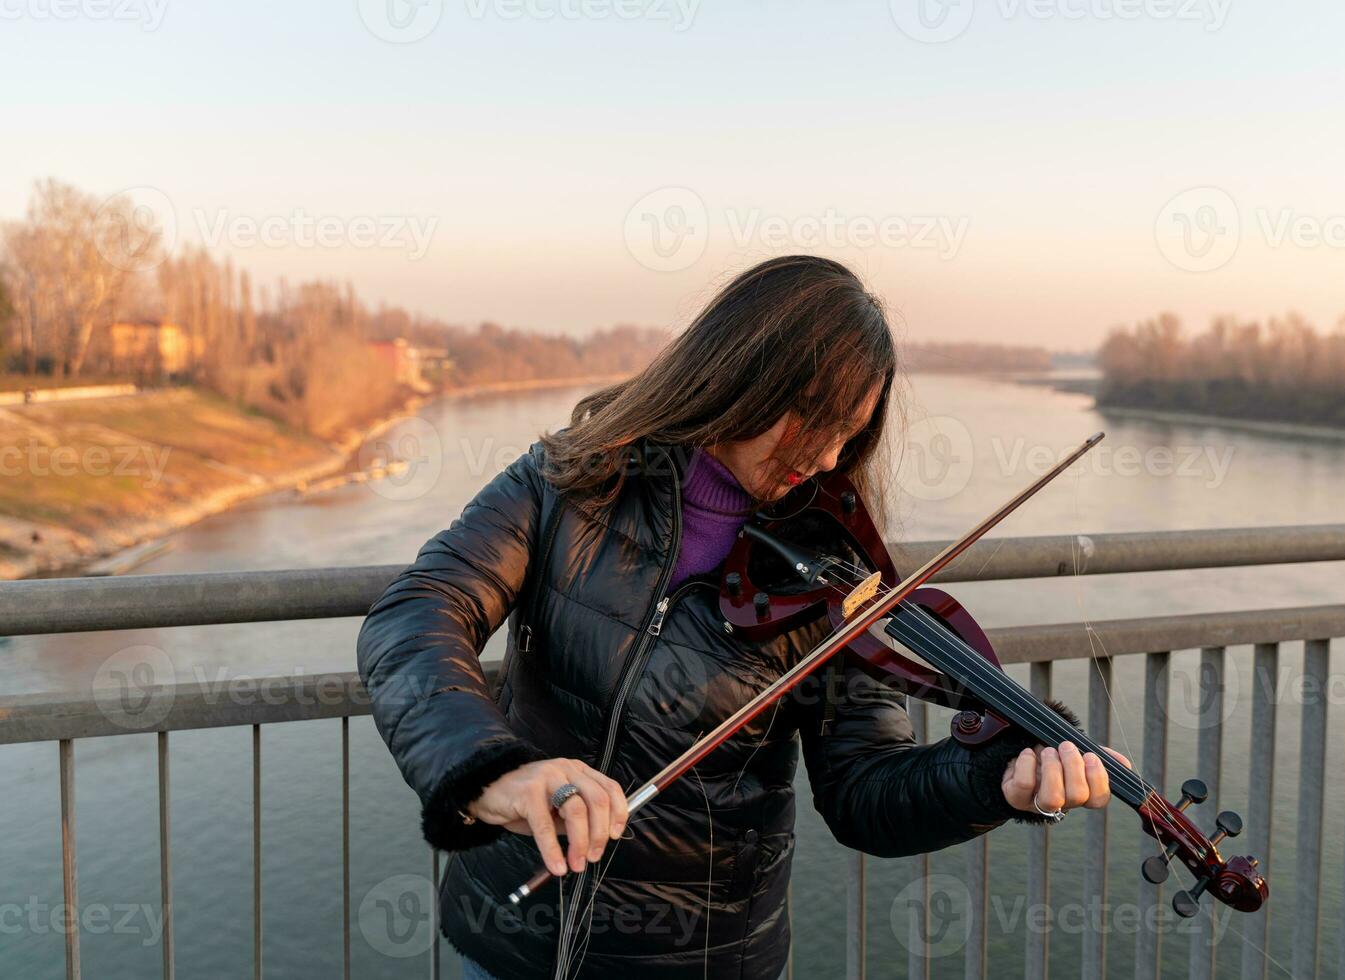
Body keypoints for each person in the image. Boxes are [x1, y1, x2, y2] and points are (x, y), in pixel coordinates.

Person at [357, 255, 1129, 980]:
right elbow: (419, 614)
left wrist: (995, 781)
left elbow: (866, 790)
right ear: (743, 375)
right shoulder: (570, 480)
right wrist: (493, 772)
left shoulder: (830, 576)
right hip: (507, 945)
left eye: (848, 436)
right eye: (815, 423)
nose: (829, 460)